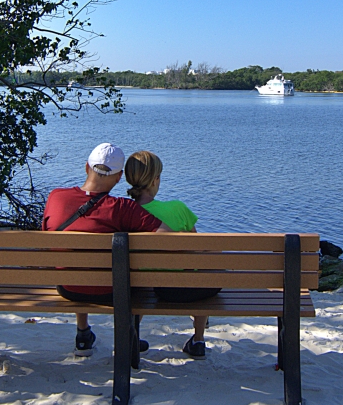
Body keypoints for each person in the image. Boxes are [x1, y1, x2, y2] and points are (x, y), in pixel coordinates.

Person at [41, 142, 170, 356]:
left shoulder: (56, 197)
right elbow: (168, 238)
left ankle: (83, 333)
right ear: (119, 177)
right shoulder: (123, 208)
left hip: (67, 288)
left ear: (86, 167)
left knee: (75, 262)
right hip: (111, 291)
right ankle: (130, 337)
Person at [123, 150, 220, 359]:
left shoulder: (125, 213)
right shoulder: (178, 209)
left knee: (134, 279)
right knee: (205, 266)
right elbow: (199, 250)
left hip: (157, 290)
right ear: (155, 180)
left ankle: (132, 334)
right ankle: (198, 339)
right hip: (191, 291)